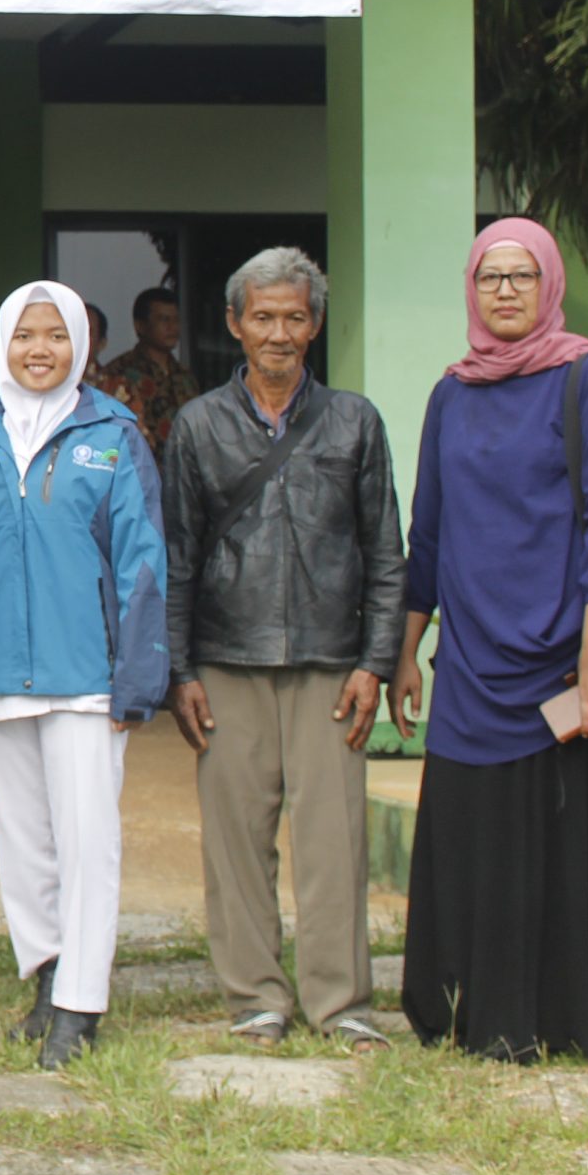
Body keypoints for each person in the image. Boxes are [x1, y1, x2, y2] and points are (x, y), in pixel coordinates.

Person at [393, 217, 588, 1061]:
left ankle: (556, 1014)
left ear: (548, 284)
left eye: (521, 275)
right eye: (489, 277)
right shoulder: (453, 391)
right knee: (473, 833)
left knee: (552, 835)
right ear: (472, 291)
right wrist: (406, 650)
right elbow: (429, 532)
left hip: (561, 650)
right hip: (472, 656)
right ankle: (464, 1006)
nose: (505, 290)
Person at [160, 249, 404, 1053]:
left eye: (294, 316)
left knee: (333, 836)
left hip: (331, 659)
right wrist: (180, 669)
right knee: (235, 836)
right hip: (227, 658)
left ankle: (341, 1001)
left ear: (316, 323)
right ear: (234, 324)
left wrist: (376, 659)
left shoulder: (354, 420)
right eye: (262, 317)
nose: (279, 333)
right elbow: (177, 556)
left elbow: (384, 552)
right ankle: (256, 995)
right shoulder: (197, 424)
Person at [0, 280, 167, 1071]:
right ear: (3, 345)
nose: (39, 349)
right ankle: (45, 975)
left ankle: (82, 1001)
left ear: (80, 345)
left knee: (87, 840)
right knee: (24, 843)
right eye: (23, 335)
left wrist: (136, 674)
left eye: (55, 335)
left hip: (86, 676)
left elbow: (144, 562)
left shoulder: (115, 436)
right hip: (0, 672)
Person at [100, 287, 197, 456]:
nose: (172, 327)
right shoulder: (118, 373)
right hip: (141, 472)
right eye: (164, 320)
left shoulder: (184, 375)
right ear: (140, 326)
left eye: (175, 320)